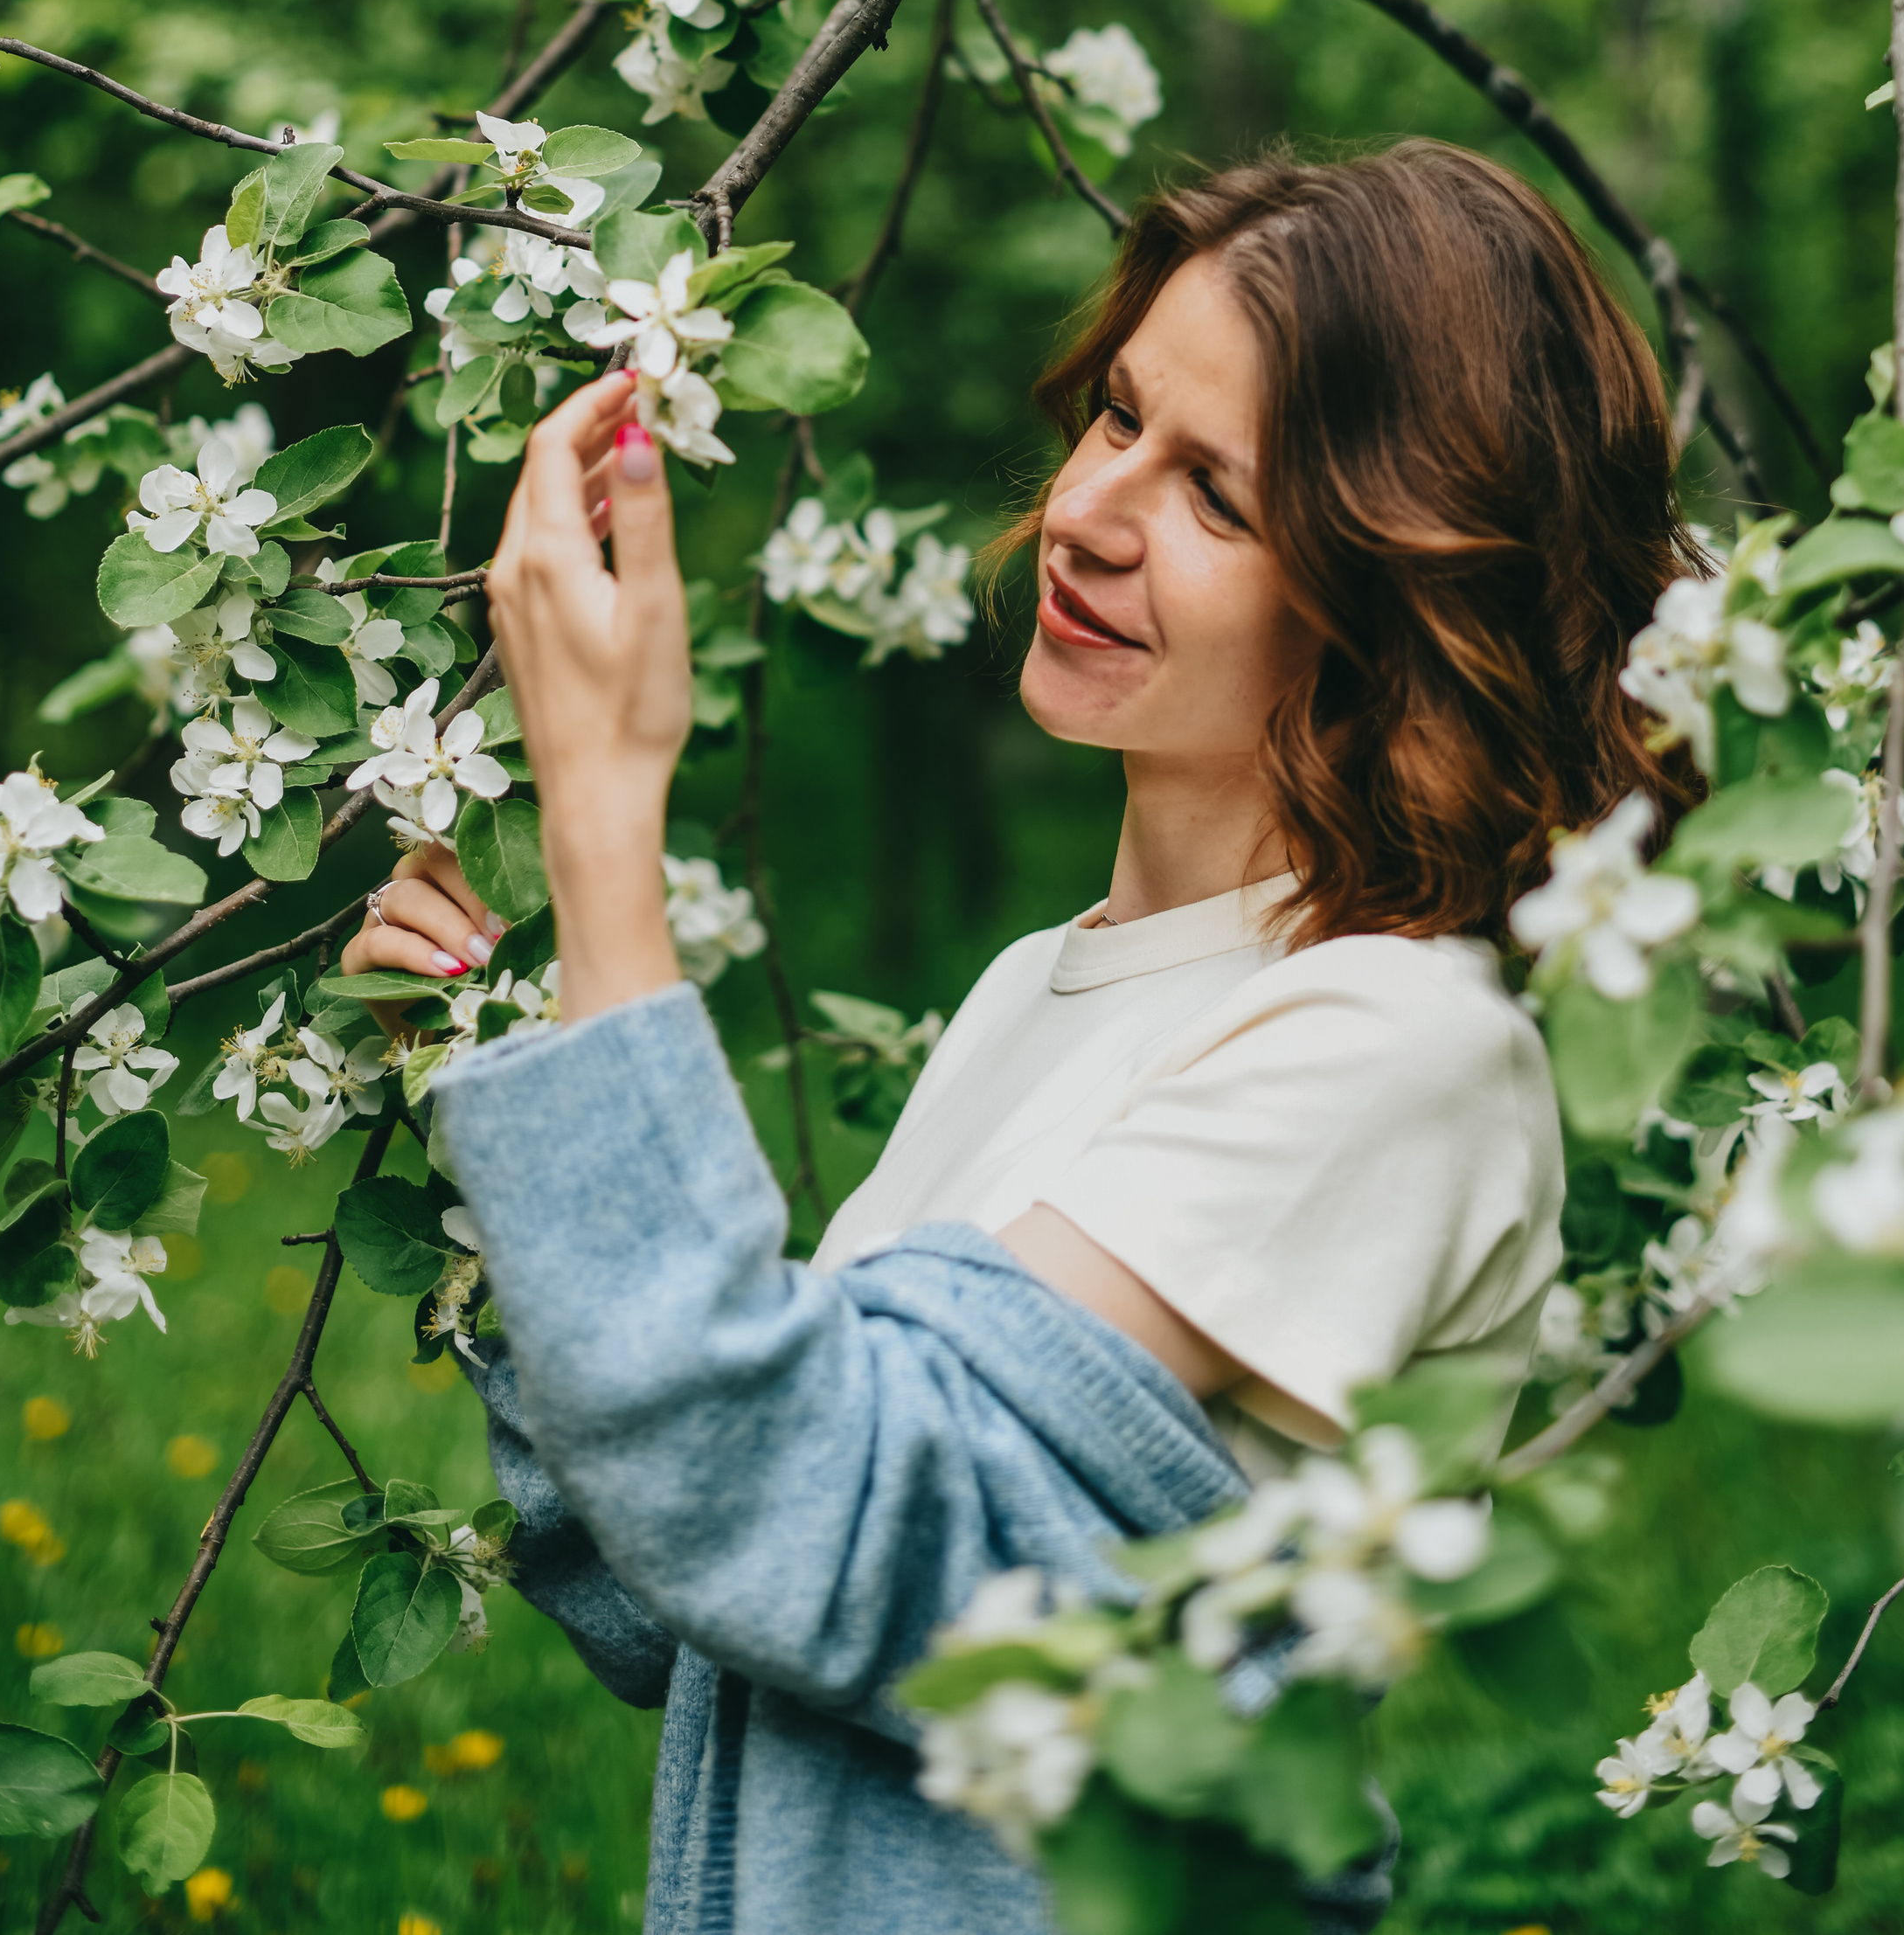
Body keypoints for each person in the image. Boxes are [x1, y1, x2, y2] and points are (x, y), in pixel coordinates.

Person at [344, 141, 1704, 1935]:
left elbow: (784, 1507)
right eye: (1118, 417)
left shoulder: (1398, 1048)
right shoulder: (1037, 988)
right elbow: (676, 1592)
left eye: (1217, 498)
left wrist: (608, 824)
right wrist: (503, 1059)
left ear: (1397, 602)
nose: (1088, 514)